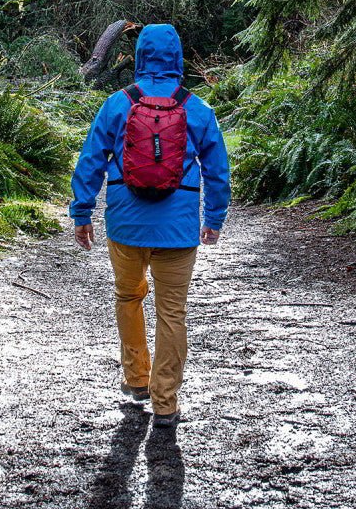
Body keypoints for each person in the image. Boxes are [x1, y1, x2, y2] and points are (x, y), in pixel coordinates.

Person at [70, 23, 231, 429]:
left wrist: (82, 212)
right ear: (178, 58)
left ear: (140, 56)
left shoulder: (117, 104)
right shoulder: (197, 108)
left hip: (125, 224)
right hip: (177, 229)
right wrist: (213, 219)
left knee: (128, 297)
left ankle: (136, 379)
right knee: (172, 312)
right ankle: (165, 402)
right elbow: (217, 172)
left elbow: (91, 160)